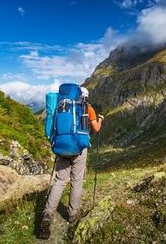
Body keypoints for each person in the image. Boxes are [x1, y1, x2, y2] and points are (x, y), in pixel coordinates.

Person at [39, 86, 103, 239]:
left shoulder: (62, 105)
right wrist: (100, 119)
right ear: (84, 96)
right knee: (77, 180)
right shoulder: (87, 107)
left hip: (61, 146)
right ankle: (73, 215)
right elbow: (96, 128)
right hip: (79, 149)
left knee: (60, 180)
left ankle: (47, 215)